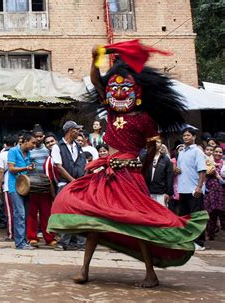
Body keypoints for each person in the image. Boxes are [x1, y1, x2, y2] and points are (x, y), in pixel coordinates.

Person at [48, 42, 207, 288]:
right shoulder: (112, 113)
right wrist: (95, 59)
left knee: (137, 222)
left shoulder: (144, 119)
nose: (119, 91)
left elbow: (153, 147)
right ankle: (85, 270)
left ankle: (150, 274)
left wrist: (140, 167)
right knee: (93, 220)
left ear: (138, 92)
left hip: (130, 176)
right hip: (106, 175)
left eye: (126, 87)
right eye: (115, 87)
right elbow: (96, 82)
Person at [51, 120, 87, 250]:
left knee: (80, 213)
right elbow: (59, 167)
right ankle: (62, 242)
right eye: (76, 129)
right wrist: (73, 180)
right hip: (65, 184)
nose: (78, 132)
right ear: (70, 131)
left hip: (78, 184)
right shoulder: (57, 146)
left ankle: (80, 243)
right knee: (65, 213)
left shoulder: (77, 146)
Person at [176, 127, 207, 250]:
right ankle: (186, 240)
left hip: (194, 190)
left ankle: (199, 243)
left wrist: (199, 187)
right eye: (184, 135)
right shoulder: (181, 152)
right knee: (184, 216)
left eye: (188, 135)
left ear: (194, 137)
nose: (186, 137)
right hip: (183, 189)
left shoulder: (197, 151)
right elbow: (180, 170)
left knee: (196, 217)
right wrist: (175, 170)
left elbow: (202, 170)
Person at [26, 125, 56, 248]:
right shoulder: (29, 150)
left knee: (46, 213)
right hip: (32, 185)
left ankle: (49, 238)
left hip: (45, 185)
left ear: (43, 137)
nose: (38, 139)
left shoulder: (49, 150)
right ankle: (32, 237)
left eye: (40, 136)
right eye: (36, 136)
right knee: (32, 213)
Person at [7, 132, 37, 250]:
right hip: (15, 187)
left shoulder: (28, 153)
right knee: (20, 214)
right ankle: (20, 243)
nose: (34, 145)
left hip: (25, 187)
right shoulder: (13, 151)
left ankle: (23, 241)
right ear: (25, 141)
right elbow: (11, 169)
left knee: (24, 215)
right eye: (32, 142)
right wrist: (26, 168)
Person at [0, 135, 17, 241]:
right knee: (18, 211)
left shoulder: (2, 155)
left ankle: (11, 234)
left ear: (5, 144)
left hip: (8, 186)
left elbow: (0, 172)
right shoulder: (19, 153)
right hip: (21, 185)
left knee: (9, 211)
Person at [143, 140, 174, 207]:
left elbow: (169, 177)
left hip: (161, 192)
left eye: (158, 142)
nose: (155, 144)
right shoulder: (145, 158)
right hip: (148, 191)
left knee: (162, 213)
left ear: (161, 144)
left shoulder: (166, 159)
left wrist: (168, 193)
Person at [204, 146, 224, 241]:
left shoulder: (224, 164)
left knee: (223, 214)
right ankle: (210, 234)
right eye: (216, 151)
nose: (218, 154)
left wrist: (216, 175)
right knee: (211, 214)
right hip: (210, 192)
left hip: (222, 193)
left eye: (220, 152)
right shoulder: (208, 162)